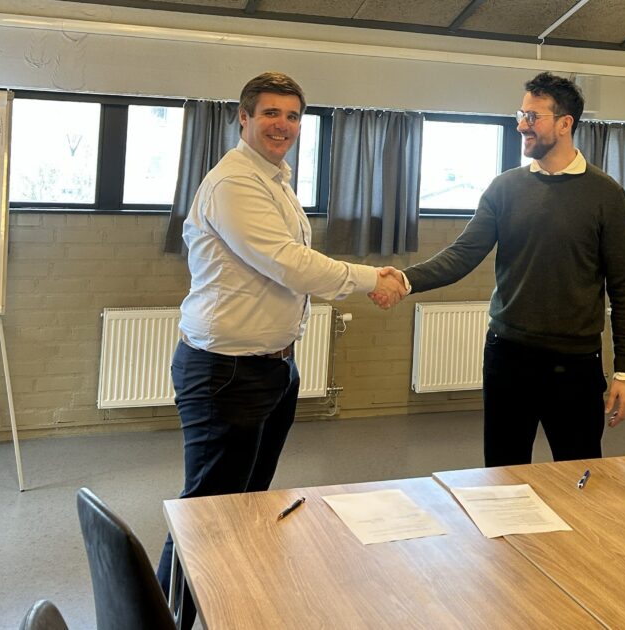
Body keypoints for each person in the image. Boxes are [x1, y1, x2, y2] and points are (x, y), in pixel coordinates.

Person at [156, 71, 404, 628]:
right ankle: (162, 620)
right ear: (243, 118)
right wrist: (373, 278)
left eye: (293, 116)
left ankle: (226, 610)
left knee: (246, 503)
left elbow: (291, 267)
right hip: (226, 373)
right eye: (270, 113)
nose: (283, 125)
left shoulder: (275, 179)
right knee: (209, 512)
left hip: (271, 368)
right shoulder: (235, 182)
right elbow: (289, 264)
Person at [379, 72, 625, 467]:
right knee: (502, 473)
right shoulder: (504, 188)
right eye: (521, 115)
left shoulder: (606, 194)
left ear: (565, 123)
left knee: (580, 473)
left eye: (533, 116)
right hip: (508, 357)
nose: (521, 125)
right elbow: (463, 254)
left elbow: (624, 288)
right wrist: (405, 279)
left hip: (575, 364)